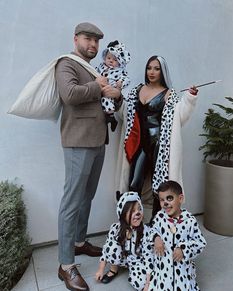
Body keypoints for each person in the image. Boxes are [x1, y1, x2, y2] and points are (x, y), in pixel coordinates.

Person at [55, 22, 122, 291]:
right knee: (72, 200)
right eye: (87, 39)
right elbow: (69, 95)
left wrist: (116, 96)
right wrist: (98, 85)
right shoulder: (66, 64)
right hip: (77, 142)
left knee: (87, 196)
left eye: (96, 40)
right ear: (76, 39)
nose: (93, 44)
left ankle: (79, 242)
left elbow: (104, 97)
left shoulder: (96, 68)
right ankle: (65, 265)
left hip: (97, 140)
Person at [123, 55, 198, 218]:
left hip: (160, 146)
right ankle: (131, 223)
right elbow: (126, 113)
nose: (152, 72)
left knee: (161, 187)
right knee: (134, 184)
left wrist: (190, 98)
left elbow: (180, 117)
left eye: (156, 68)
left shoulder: (169, 94)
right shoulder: (137, 89)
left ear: (162, 71)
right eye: (149, 68)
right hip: (140, 144)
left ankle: (158, 224)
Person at [149, 180, 206, 290]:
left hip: (182, 272)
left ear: (180, 198)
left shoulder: (189, 221)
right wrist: (156, 237)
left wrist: (184, 249)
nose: (165, 203)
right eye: (162, 200)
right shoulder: (159, 218)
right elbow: (152, 231)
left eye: (169, 198)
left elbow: (200, 243)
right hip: (163, 272)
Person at [95, 191, 154, 291]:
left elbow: (149, 258)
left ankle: (141, 276)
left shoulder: (146, 232)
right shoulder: (115, 228)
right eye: (132, 211)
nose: (138, 213)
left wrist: (147, 284)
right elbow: (106, 250)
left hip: (137, 261)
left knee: (140, 284)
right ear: (122, 214)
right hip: (121, 258)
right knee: (112, 246)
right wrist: (100, 270)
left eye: (139, 209)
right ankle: (114, 270)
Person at [96, 40, 131, 131]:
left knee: (108, 99)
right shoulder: (101, 67)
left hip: (111, 88)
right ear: (104, 57)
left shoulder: (120, 70)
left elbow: (126, 79)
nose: (111, 61)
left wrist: (121, 83)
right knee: (103, 100)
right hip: (100, 88)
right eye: (109, 58)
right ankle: (110, 118)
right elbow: (95, 73)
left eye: (115, 60)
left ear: (119, 62)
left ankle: (111, 117)